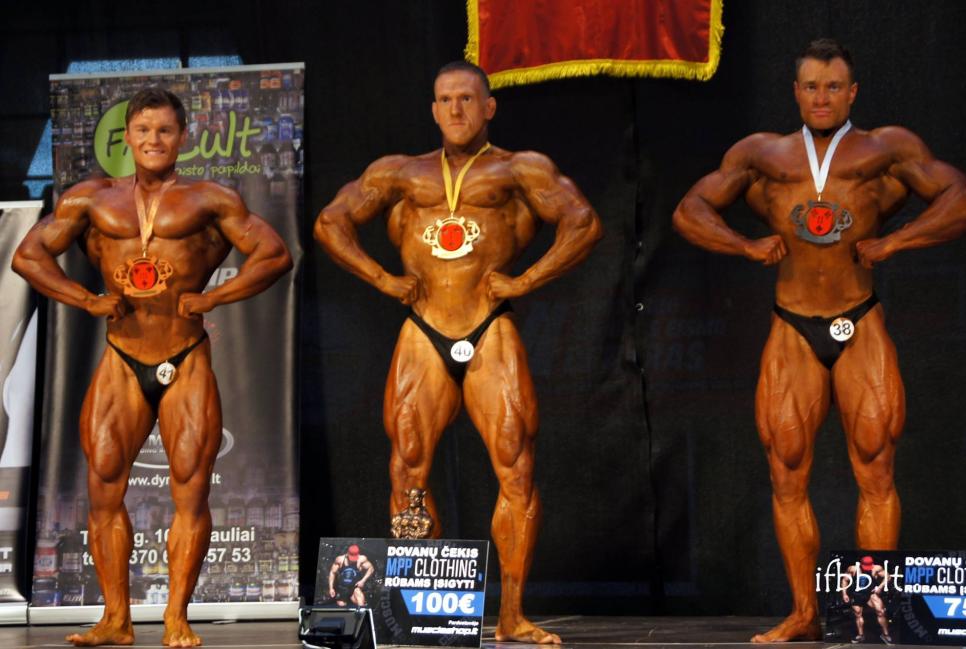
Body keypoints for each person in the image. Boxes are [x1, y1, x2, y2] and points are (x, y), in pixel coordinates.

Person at [672, 39, 966, 642]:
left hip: (859, 320)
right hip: (792, 325)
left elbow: (963, 198)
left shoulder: (886, 148)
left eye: (833, 87)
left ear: (852, 93)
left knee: (876, 466)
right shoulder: (762, 154)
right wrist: (744, 246)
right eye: (812, 86)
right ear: (795, 92)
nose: (822, 97)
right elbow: (690, 209)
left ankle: (876, 618)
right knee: (786, 470)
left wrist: (897, 241)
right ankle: (804, 614)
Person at [314, 61, 602, 643]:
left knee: (515, 463)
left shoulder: (519, 168)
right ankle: (426, 617)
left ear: (489, 106)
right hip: (423, 327)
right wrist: (380, 277)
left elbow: (583, 223)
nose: (456, 109)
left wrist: (527, 280)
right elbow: (330, 222)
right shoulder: (400, 172)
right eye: (445, 99)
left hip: (489, 325)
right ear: (433, 109)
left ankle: (513, 615)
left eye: (467, 99)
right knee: (408, 463)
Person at [12, 88, 292, 647]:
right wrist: (85, 299)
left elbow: (275, 254)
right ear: (128, 138)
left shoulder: (210, 198)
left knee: (191, 488)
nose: (153, 140)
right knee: (103, 486)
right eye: (143, 131)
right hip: (122, 356)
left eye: (164, 130)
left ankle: (176, 618)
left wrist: (215, 297)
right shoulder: (92, 199)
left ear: (182, 136)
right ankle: (115, 619)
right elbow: (27, 256)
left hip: (185, 356)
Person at [841, 556, 892, 644]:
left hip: (871, 593)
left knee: (881, 612)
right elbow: (844, 580)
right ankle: (861, 635)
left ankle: (885, 634)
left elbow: (888, 577)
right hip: (857, 594)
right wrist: (844, 594)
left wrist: (879, 587)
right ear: (860, 564)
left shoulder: (876, 568)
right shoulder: (853, 569)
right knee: (858, 614)